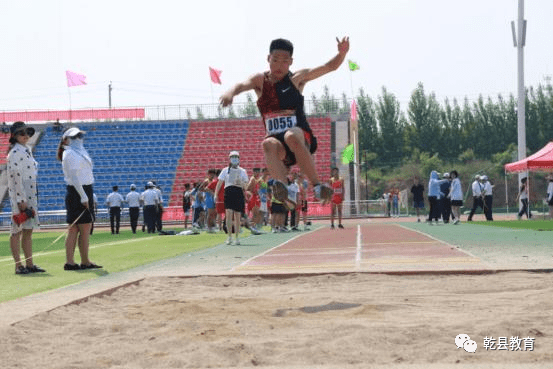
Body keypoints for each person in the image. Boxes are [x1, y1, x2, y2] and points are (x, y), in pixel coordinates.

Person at [220, 37, 350, 204]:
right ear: (268, 59)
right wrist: (230, 93)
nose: (279, 66)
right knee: (267, 144)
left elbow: (328, 67)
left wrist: (342, 53)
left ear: (291, 62)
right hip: (278, 145)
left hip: (300, 137)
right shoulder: (260, 80)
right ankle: (283, 188)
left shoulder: (296, 78)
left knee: (291, 135)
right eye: (275, 60)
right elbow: (240, 85)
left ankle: (317, 186)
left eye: (284, 61)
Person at [57, 127, 102, 270]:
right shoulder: (69, 153)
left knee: (80, 228)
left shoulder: (78, 151)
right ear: (66, 139)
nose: (78, 139)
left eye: (79, 136)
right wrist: (83, 196)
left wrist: (88, 194)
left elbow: (85, 175)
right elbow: (74, 177)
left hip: (84, 190)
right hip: (77, 192)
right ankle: (77, 261)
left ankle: (81, 261)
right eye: (75, 136)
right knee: (79, 228)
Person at [7, 122, 45, 274]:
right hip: (20, 193)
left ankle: (30, 264)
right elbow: (16, 177)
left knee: (28, 229)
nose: (25, 136)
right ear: (15, 136)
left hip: (30, 191)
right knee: (16, 230)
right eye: (21, 133)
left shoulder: (27, 150)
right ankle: (18, 265)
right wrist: (20, 199)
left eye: (27, 133)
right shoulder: (15, 152)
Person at [215, 151, 249, 245]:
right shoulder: (225, 170)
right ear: (229, 159)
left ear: (239, 159)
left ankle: (237, 237)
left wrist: (241, 183)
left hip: (238, 192)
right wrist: (215, 194)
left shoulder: (242, 171)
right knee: (229, 215)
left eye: (236, 157)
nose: (234, 158)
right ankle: (229, 236)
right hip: (228, 192)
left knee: (237, 216)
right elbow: (219, 183)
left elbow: (246, 186)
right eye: (232, 157)